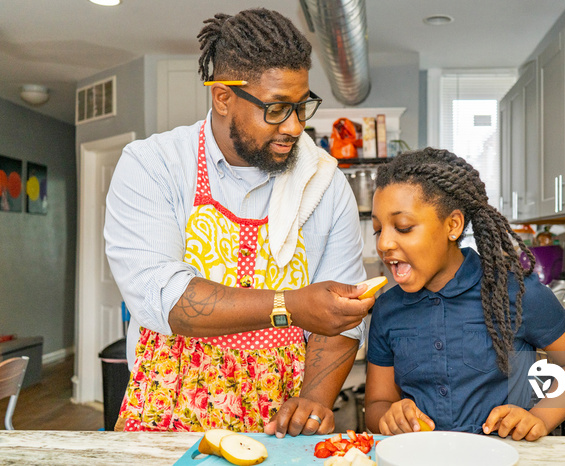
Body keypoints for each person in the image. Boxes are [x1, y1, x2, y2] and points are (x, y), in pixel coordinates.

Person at [104, 8, 375, 436]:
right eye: (276, 109)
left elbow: (343, 315)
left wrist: (313, 401)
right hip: (166, 415)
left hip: (277, 427)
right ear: (223, 97)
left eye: (302, 106)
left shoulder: (324, 184)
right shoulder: (154, 166)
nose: (295, 127)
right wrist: (292, 306)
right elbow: (165, 299)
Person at [364, 148, 565, 440]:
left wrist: (539, 417)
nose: (384, 243)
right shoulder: (387, 309)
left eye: (403, 227)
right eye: (378, 230)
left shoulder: (516, 292)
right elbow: (376, 405)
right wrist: (389, 416)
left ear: (453, 225)